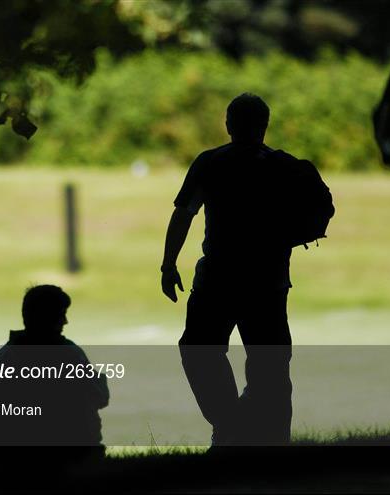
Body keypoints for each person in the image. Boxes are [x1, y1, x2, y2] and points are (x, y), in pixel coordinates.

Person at [161, 93, 315, 446]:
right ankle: (274, 440)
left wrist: (168, 265)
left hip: (217, 279)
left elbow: (184, 213)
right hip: (269, 281)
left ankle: (228, 424)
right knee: (271, 367)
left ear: (228, 124)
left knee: (200, 351)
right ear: (265, 125)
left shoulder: (210, 163)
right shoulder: (283, 165)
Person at [0, 285, 109, 487]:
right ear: (50, 318)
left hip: (9, 466)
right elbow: (100, 397)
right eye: (61, 315)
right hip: (69, 462)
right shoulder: (69, 355)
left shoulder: (2, 358)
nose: (65, 321)